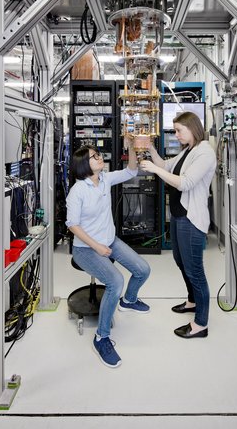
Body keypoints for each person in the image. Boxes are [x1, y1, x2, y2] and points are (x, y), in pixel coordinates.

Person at [66, 142, 151, 368]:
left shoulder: (105, 179)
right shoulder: (78, 191)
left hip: (109, 240)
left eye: (98, 154)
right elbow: (73, 225)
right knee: (115, 281)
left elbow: (131, 170)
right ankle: (101, 338)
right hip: (85, 249)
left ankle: (129, 300)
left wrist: (132, 147)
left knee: (143, 270)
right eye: (94, 157)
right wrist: (96, 246)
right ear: (85, 164)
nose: (100, 158)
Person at [140, 111, 216, 339]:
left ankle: (201, 324)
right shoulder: (188, 151)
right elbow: (165, 165)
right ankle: (192, 301)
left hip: (191, 219)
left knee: (195, 271)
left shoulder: (205, 152)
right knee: (180, 261)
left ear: (192, 128)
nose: (176, 134)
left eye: (178, 130)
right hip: (177, 215)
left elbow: (185, 183)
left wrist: (155, 170)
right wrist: (151, 149)